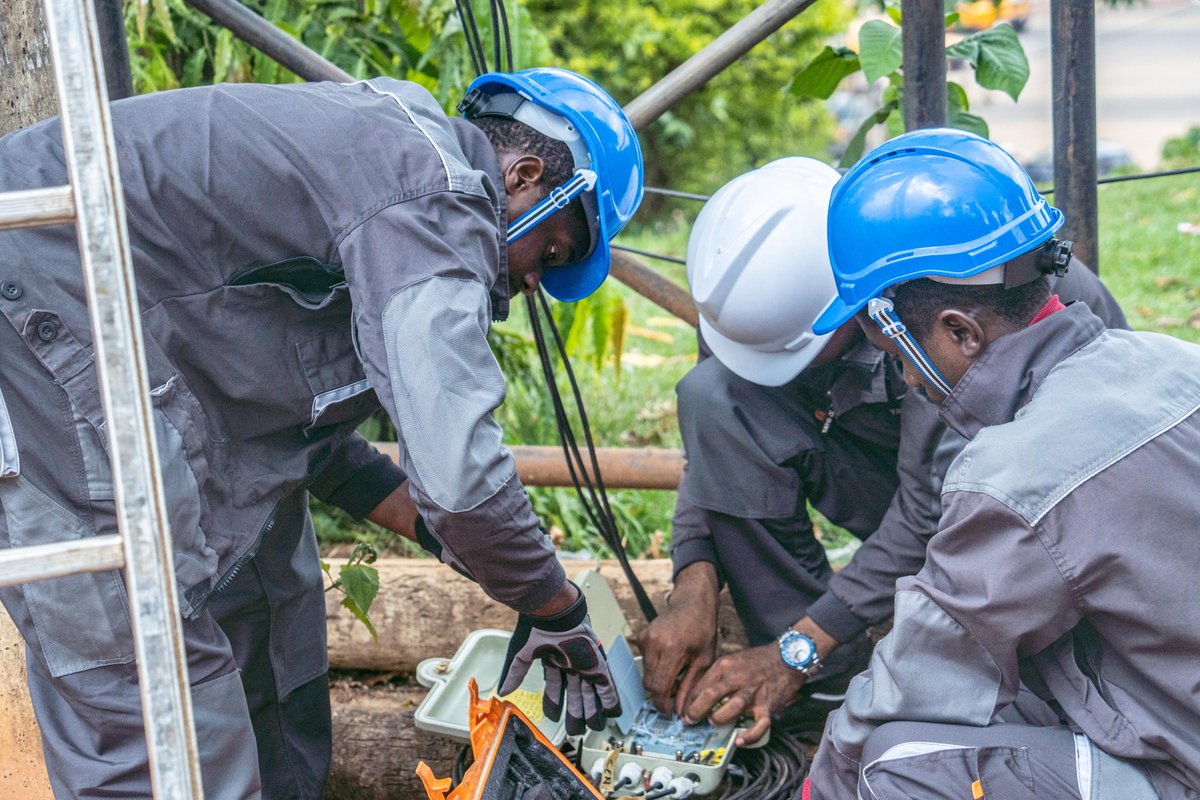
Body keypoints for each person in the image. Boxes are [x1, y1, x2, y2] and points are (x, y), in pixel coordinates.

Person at [0, 67, 642, 799]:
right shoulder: (432, 196)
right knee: (151, 683)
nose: (534, 285)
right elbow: (461, 477)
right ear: (524, 176)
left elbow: (308, 434)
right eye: (552, 254)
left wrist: (452, 543)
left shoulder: (384, 170)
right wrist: (552, 604)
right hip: (36, 300)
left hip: (120, 339)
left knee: (267, 585)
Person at [637, 154, 1128, 747]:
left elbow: (933, 506)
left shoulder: (948, 312)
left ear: (856, 305)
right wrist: (693, 581)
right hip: (906, 475)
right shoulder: (757, 297)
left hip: (1018, 510)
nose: (766, 371)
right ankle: (821, 678)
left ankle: (805, 655)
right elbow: (712, 433)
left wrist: (797, 649)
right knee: (715, 395)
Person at [803, 128, 1200, 799]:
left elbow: (918, 674)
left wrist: (824, 783)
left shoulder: (1015, 476)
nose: (908, 383)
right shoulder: (1172, 361)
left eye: (900, 358)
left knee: (889, 763)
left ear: (960, 331)